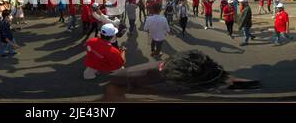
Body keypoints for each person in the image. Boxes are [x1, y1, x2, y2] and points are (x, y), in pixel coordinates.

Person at [104, 50, 261, 101]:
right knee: (221, 80)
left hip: (180, 84)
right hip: (184, 82)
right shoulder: (131, 75)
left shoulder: (127, 75)